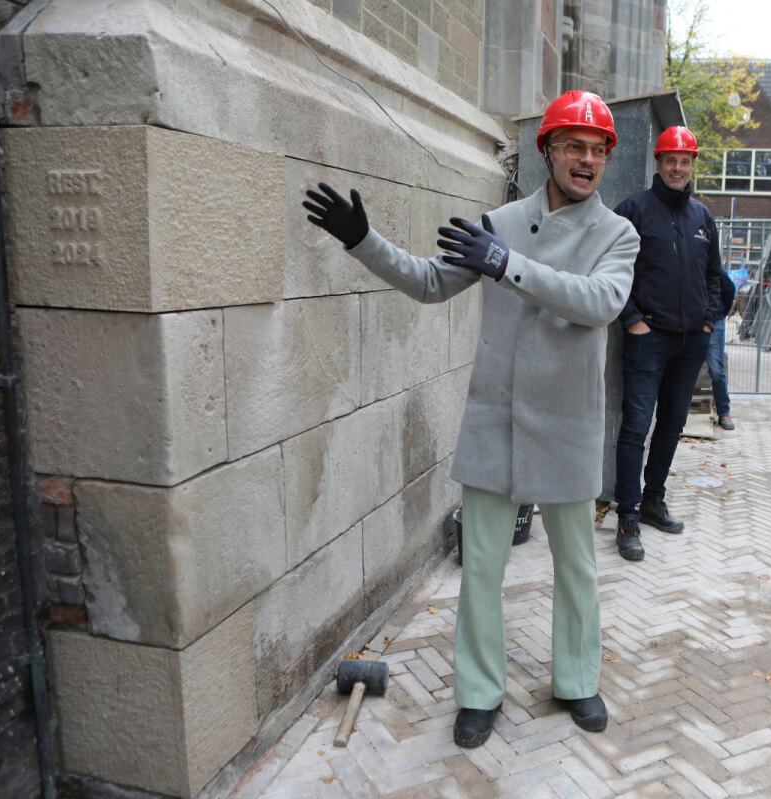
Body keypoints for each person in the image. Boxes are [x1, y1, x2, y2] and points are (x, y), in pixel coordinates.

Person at [302, 90, 639, 748]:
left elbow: (598, 303)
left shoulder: (616, 234)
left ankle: (577, 678)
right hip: (499, 420)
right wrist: (364, 241)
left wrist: (508, 265)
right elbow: (430, 281)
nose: (588, 160)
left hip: (570, 424)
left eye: (598, 151)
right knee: (481, 565)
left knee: (577, 565)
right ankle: (479, 692)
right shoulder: (502, 222)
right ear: (546, 150)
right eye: (574, 146)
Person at [611, 125, 723, 561]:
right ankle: (627, 514)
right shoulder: (633, 211)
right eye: (671, 160)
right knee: (636, 426)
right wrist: (633, 319)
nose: (678, 167)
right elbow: (613, 270)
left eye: (686, 161)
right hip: (648, 338)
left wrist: (709, 322)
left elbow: (714, 275)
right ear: (657, 163)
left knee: (673, 424)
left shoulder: (702, 217)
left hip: (691, 340)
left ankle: (654, 498)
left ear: (692, 166)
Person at [706, 269, 738, 431]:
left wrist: (719, 313)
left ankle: (724, 412)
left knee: (716, 370)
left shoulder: (715, 268)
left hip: (714, 322)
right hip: (690, 322)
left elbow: (729, 289)